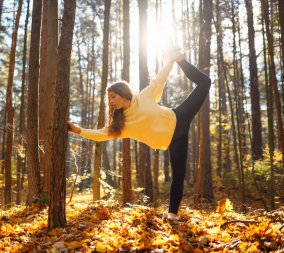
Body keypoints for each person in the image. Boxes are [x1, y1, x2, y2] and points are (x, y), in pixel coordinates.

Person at [67, 49, 211, 221]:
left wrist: (172, 61)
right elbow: (101, 134)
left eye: (113, 97)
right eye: (109, 99)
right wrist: (78, 130)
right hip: (174, 140)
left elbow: (160, 80)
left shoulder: (144, 96)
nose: (111, 101)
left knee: (205, 82)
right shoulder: (122, 124)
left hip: (179, 117)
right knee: (178, 175)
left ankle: (181, 59)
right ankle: (172, 215)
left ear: (123, 93)